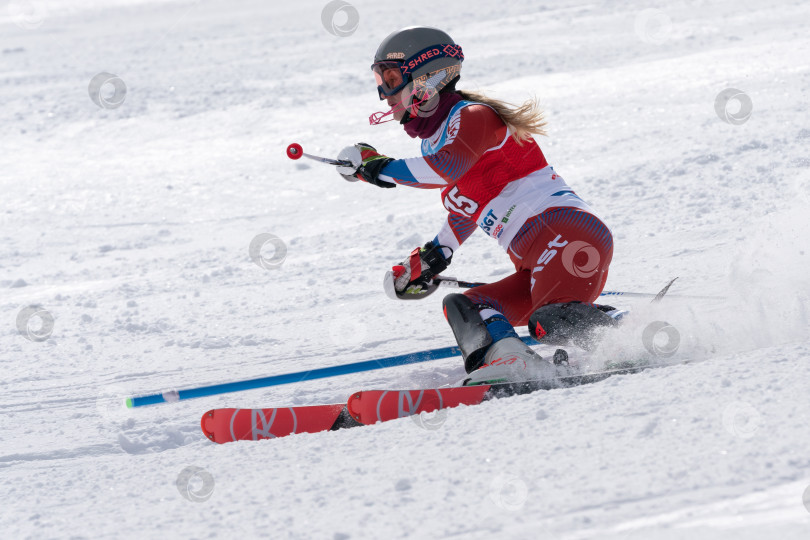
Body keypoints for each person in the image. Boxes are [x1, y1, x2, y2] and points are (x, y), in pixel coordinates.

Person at [337, 26, 620, 386]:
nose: (384, 94)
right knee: (467, 306)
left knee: (551, 322)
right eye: (380, 81)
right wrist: (432, 257)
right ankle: (511, 360)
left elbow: (447, 168)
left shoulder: (472, 116)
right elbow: (465, 206)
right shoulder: (437, 142)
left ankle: (638, 332)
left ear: (428, 77)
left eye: (391, 79)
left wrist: (378, 167)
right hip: (534, 258)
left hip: (565, 234)